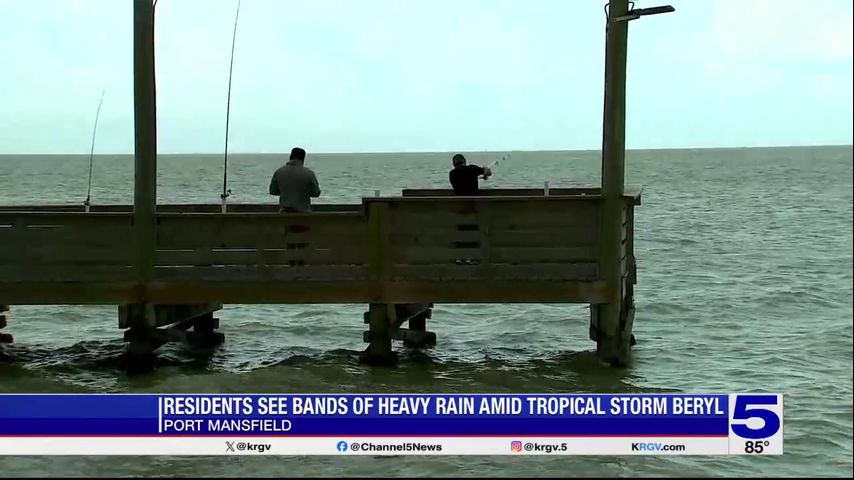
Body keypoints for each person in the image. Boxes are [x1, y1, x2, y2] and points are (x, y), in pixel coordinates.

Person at [269, 147, 321, 212]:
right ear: (303, 159)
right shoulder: (309, 173)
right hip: (304, 213)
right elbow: (316, 193)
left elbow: (273, 191)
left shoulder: (279, 172)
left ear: (290, 157)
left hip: (284, 213)